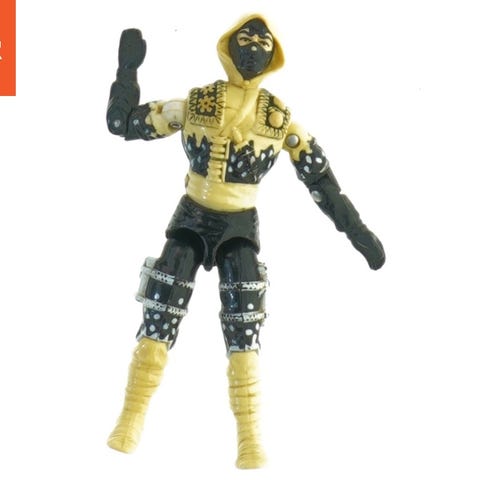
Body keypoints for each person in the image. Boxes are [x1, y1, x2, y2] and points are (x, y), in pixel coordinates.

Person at [106, 14, 385, 469]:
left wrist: (357, 232)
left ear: (273, 55)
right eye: (245, 39)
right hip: (191, 219)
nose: (252, 48)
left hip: (239, 228)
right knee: (160, 307)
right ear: (227, 46)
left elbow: (320, 180)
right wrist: (127, 72)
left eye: (262, 42)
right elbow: (123, 123)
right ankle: (131, 415)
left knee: (245, 324)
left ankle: (250, 433)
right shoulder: (196, 103)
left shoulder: (279, 119)